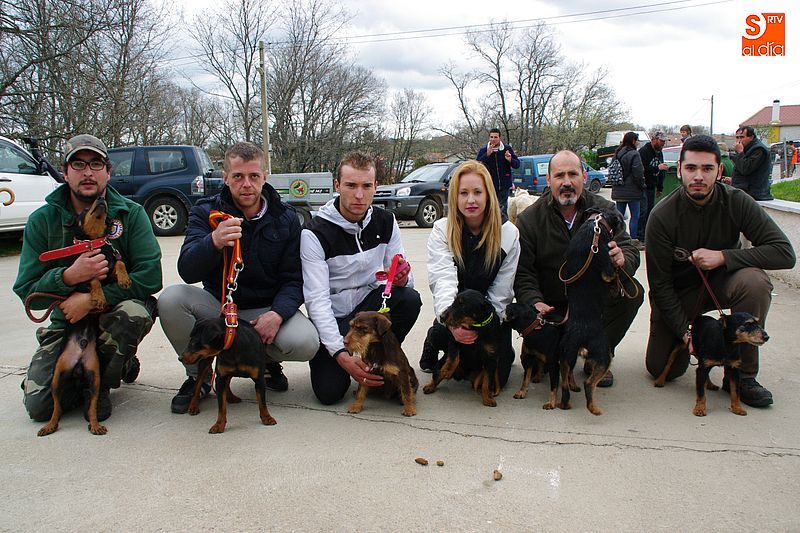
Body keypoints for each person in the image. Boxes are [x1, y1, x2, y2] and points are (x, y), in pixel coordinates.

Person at [158, 142, 319, 414]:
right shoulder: (205, 212)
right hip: (219, 307)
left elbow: (294, 278)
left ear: (265, 176)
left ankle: (264, 364)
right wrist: (213, 241)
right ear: (225, 178)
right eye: (238, 176)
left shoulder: (287, 218)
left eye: (254, 176)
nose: (246, 184)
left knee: (306, 342)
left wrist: (278, 314)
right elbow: (187, 270)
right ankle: (198, 376)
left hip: (264, 308)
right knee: (171, 299)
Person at [13, 134, 162, 423]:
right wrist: (68, 277)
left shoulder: (131, 214)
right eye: (78, 165)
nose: (88, 173)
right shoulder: (42, 220)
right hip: (68, 324)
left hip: (114, 316)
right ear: (65, 172)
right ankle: (76, 365)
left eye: (96, 164)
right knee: (41, 408)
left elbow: (150, 277)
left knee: (133, 313)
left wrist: (92, 300)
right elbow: (27, 291)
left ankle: (103, 381)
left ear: (108, 171)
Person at [644, 135, 795, 407]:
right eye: (691, 168)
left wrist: (724, 257)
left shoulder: (737, 201)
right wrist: (685, 332)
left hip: (724, 283)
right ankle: (692, 339)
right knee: (661, 368)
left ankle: (742, 376)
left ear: (719, 170)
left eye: (707, 168)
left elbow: (784, 252)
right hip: (680, 295)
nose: (698, 176)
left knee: (754, 282)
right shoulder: (661, 216)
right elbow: (660, 285)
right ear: (679, 170)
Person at [514, 150, 644, 387]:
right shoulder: (529, 220)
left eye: (573, 174)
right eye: (559, 175)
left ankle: (598, 353)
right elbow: (523, 273)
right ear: (549, 180)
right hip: (552, 304)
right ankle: (554, 346)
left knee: (632, 292)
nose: (567, 182)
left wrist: (623, 258)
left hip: (592, 303)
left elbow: (629, 248)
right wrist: (535, 302)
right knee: (542, 365)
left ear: (584, 177)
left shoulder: (605, 209)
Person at [301, 151, 422, 405]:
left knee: (409, 299)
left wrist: (401, 279)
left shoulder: (386, 221)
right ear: (337, 186)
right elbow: (317, 302)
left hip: (369, 304)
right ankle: (348, 359)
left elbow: (401, 278)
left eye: (366, 186)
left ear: (376, 186)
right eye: (351, 185)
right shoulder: (314, 232)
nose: (359, 195)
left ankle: (382, 358)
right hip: (335, 316)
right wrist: (340, 353)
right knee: (329, 393)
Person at [421, 160, 520, 383]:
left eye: (477, 192)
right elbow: (442, 279)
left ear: (489, 195)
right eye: (463, 193)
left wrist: (483, 328)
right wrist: (454, 324)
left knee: (497, 379)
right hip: (456, 311)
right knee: (444, 342)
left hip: (487, 315)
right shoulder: (442, 230)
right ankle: (434, 340)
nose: (471, 200)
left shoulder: (509, 233)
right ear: (455, 197)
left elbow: (503, 290)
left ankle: (502, 349)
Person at [476, 128, 520, 220]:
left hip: (504, 185)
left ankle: (503, 226)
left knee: (503, 209)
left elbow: (517, 164)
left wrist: (510, 159)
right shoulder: (484, 150)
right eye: (491, 137)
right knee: (491, 208)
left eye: (495, 137)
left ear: (500, 138)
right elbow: (477, 166)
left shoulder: (507, 149)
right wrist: (487, 155)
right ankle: (491, 225)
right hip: (490, 185)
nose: (493, 139)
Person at [611, 132, 645, 249]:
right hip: (632, 191)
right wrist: (642, 185)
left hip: (618, 189)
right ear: (633, 141)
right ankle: (633, 240)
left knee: (619, 217)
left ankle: (618, 238)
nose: (638, 142)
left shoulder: (617, 153)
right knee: (635, 216)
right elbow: (638, 173)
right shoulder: (634, 154)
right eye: (637, 140)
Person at [636, 130, 668, 243]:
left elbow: (661, 171)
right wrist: (657, 168)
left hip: (652, 187)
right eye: (661, 141)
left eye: (664, 141)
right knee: (643, 212)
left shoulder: (659, 153)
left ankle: (647, 235)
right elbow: (641, 169)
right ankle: (640, 236)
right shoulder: (643, 152)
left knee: (650, 211)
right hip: (643, 186)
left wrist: (660, 187)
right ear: (654, 140)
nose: (663, 143)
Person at [732, 126, 773, 200]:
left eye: (742, 137)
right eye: (737, 137)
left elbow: (745, 169)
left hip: (754, 194)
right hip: (744, 191)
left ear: (751, 137)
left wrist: (740, 153)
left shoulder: (759, 150)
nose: (739, 141)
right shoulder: (746, 149)